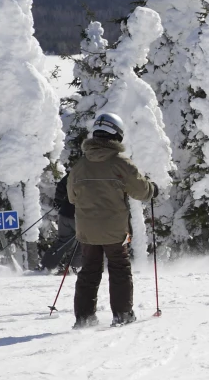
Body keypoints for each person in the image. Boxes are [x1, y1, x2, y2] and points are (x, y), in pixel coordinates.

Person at [66, 112, 154, 327]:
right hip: (114, 228)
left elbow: (71, 197)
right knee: (119, 268)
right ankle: (122, 315)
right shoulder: (120, 162)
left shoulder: (80, 166)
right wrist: (152, 188)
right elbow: (141, 191)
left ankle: (84, 318)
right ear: (118, 135)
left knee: (89, 270)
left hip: (86, 229)